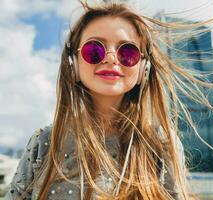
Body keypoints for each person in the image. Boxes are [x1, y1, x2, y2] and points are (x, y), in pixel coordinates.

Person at [4, 2, 193, 200]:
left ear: (143, 69)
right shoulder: (44, 142)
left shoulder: (162, 144)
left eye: (127, 52)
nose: (111, 59)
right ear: (73, 62)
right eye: (95, 50)